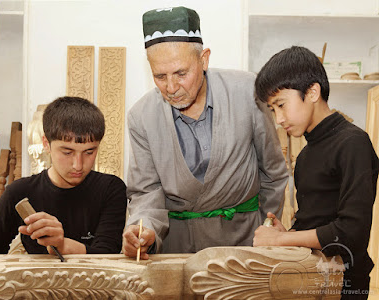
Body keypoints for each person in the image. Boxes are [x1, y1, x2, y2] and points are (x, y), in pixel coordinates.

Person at [122, 6, 288, 259]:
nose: (171, 87)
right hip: (177, 249)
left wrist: (265, 228)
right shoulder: (142, 116)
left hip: (245, 242)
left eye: (181, 73)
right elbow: (146, 192)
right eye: (160, 76)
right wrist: (143, 230)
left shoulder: (247, 93)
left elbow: (273, 172)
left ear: (204, 59)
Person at [253, 46, 379, 299]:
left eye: (281, 105)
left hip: (345, 283)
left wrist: (279, 242)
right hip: (311, 276)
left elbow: (351, 232)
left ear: (312, 92)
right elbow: (317, 221)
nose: (278, 118)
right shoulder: (308, 154)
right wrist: (286, 234)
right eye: (272, 109)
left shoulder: (353, 143)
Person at [0, 96, 127, 255]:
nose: (78, 164)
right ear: (46, 144)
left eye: (89, 152)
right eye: (67, 152)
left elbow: (108, 256)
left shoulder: (111, 189)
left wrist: (62, 245)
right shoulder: (19, 192)